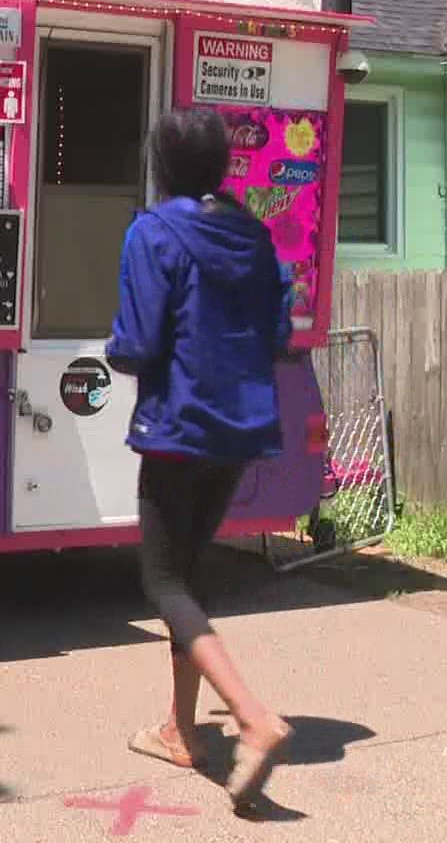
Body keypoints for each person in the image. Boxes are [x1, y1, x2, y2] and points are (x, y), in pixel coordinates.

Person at [104, 107, 296, 811]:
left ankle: (251, 715)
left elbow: (137, 341)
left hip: (177, 425)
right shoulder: (254, 235)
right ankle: (182, 730)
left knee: (159, 581)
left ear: (162, 165)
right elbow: (278, 331)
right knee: (187, 576)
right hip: (239, 430)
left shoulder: (154, 232)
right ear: (220, 166)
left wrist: (117, 351)